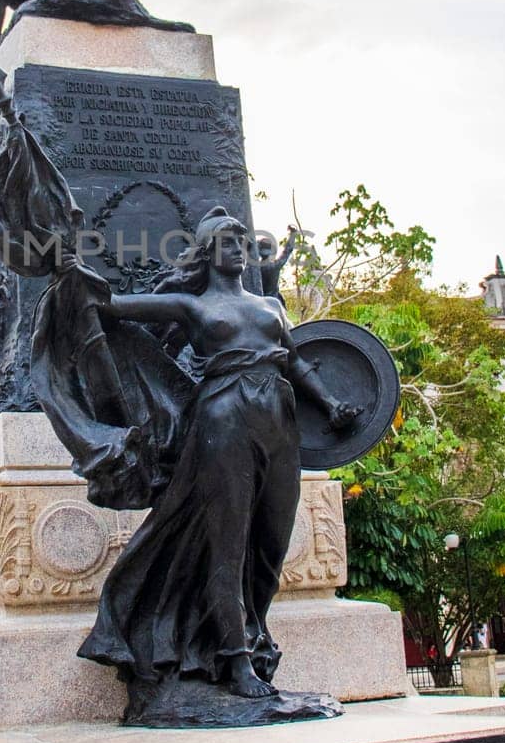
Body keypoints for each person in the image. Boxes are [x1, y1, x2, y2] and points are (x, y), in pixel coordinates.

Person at [79, 208, 360, 702]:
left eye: (242, 240)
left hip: (279, 416)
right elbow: (116, 308)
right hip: (224, 416)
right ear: (208, 251)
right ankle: (234, 661)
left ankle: (253, 636)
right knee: (227, 541)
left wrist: (331, 402)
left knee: (271, 544)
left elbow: (293, 359)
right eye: (228, 240)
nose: (239, 247)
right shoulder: (192, 306)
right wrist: (74, 276)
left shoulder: (270, 305)